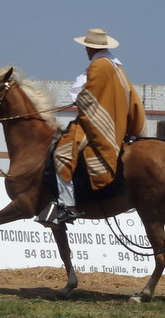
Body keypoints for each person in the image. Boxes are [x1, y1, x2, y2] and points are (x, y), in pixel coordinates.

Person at [39, 29, 147, 225]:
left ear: (90, 47)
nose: (86, 50)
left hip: (100, 124)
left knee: (62, 153)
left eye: (86, 47)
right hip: (118, 122)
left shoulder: (99, 65)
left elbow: (89, 97)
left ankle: (67, 206)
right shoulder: (115, 65)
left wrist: (79, 100)